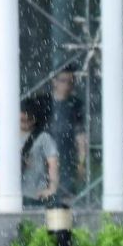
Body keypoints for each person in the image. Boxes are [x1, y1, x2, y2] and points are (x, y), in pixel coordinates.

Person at [47, 65, 86, 200]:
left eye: (71, 81)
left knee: (66, 192)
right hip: (46, 157)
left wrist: (81, 161)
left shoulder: (75, 104)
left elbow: (80, 135)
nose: (68, 85)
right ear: (54, 81)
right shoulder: (45, 102)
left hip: (67, 157)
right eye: (64, 81)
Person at [20, 97, 60, 207]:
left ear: (34, 120)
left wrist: (52, 188)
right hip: (15, 193)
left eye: (27, 120)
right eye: (21, 120)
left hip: (36, 193)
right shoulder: (9, 137)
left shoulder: (43, 138)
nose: (24, 124)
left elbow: (53, 163)